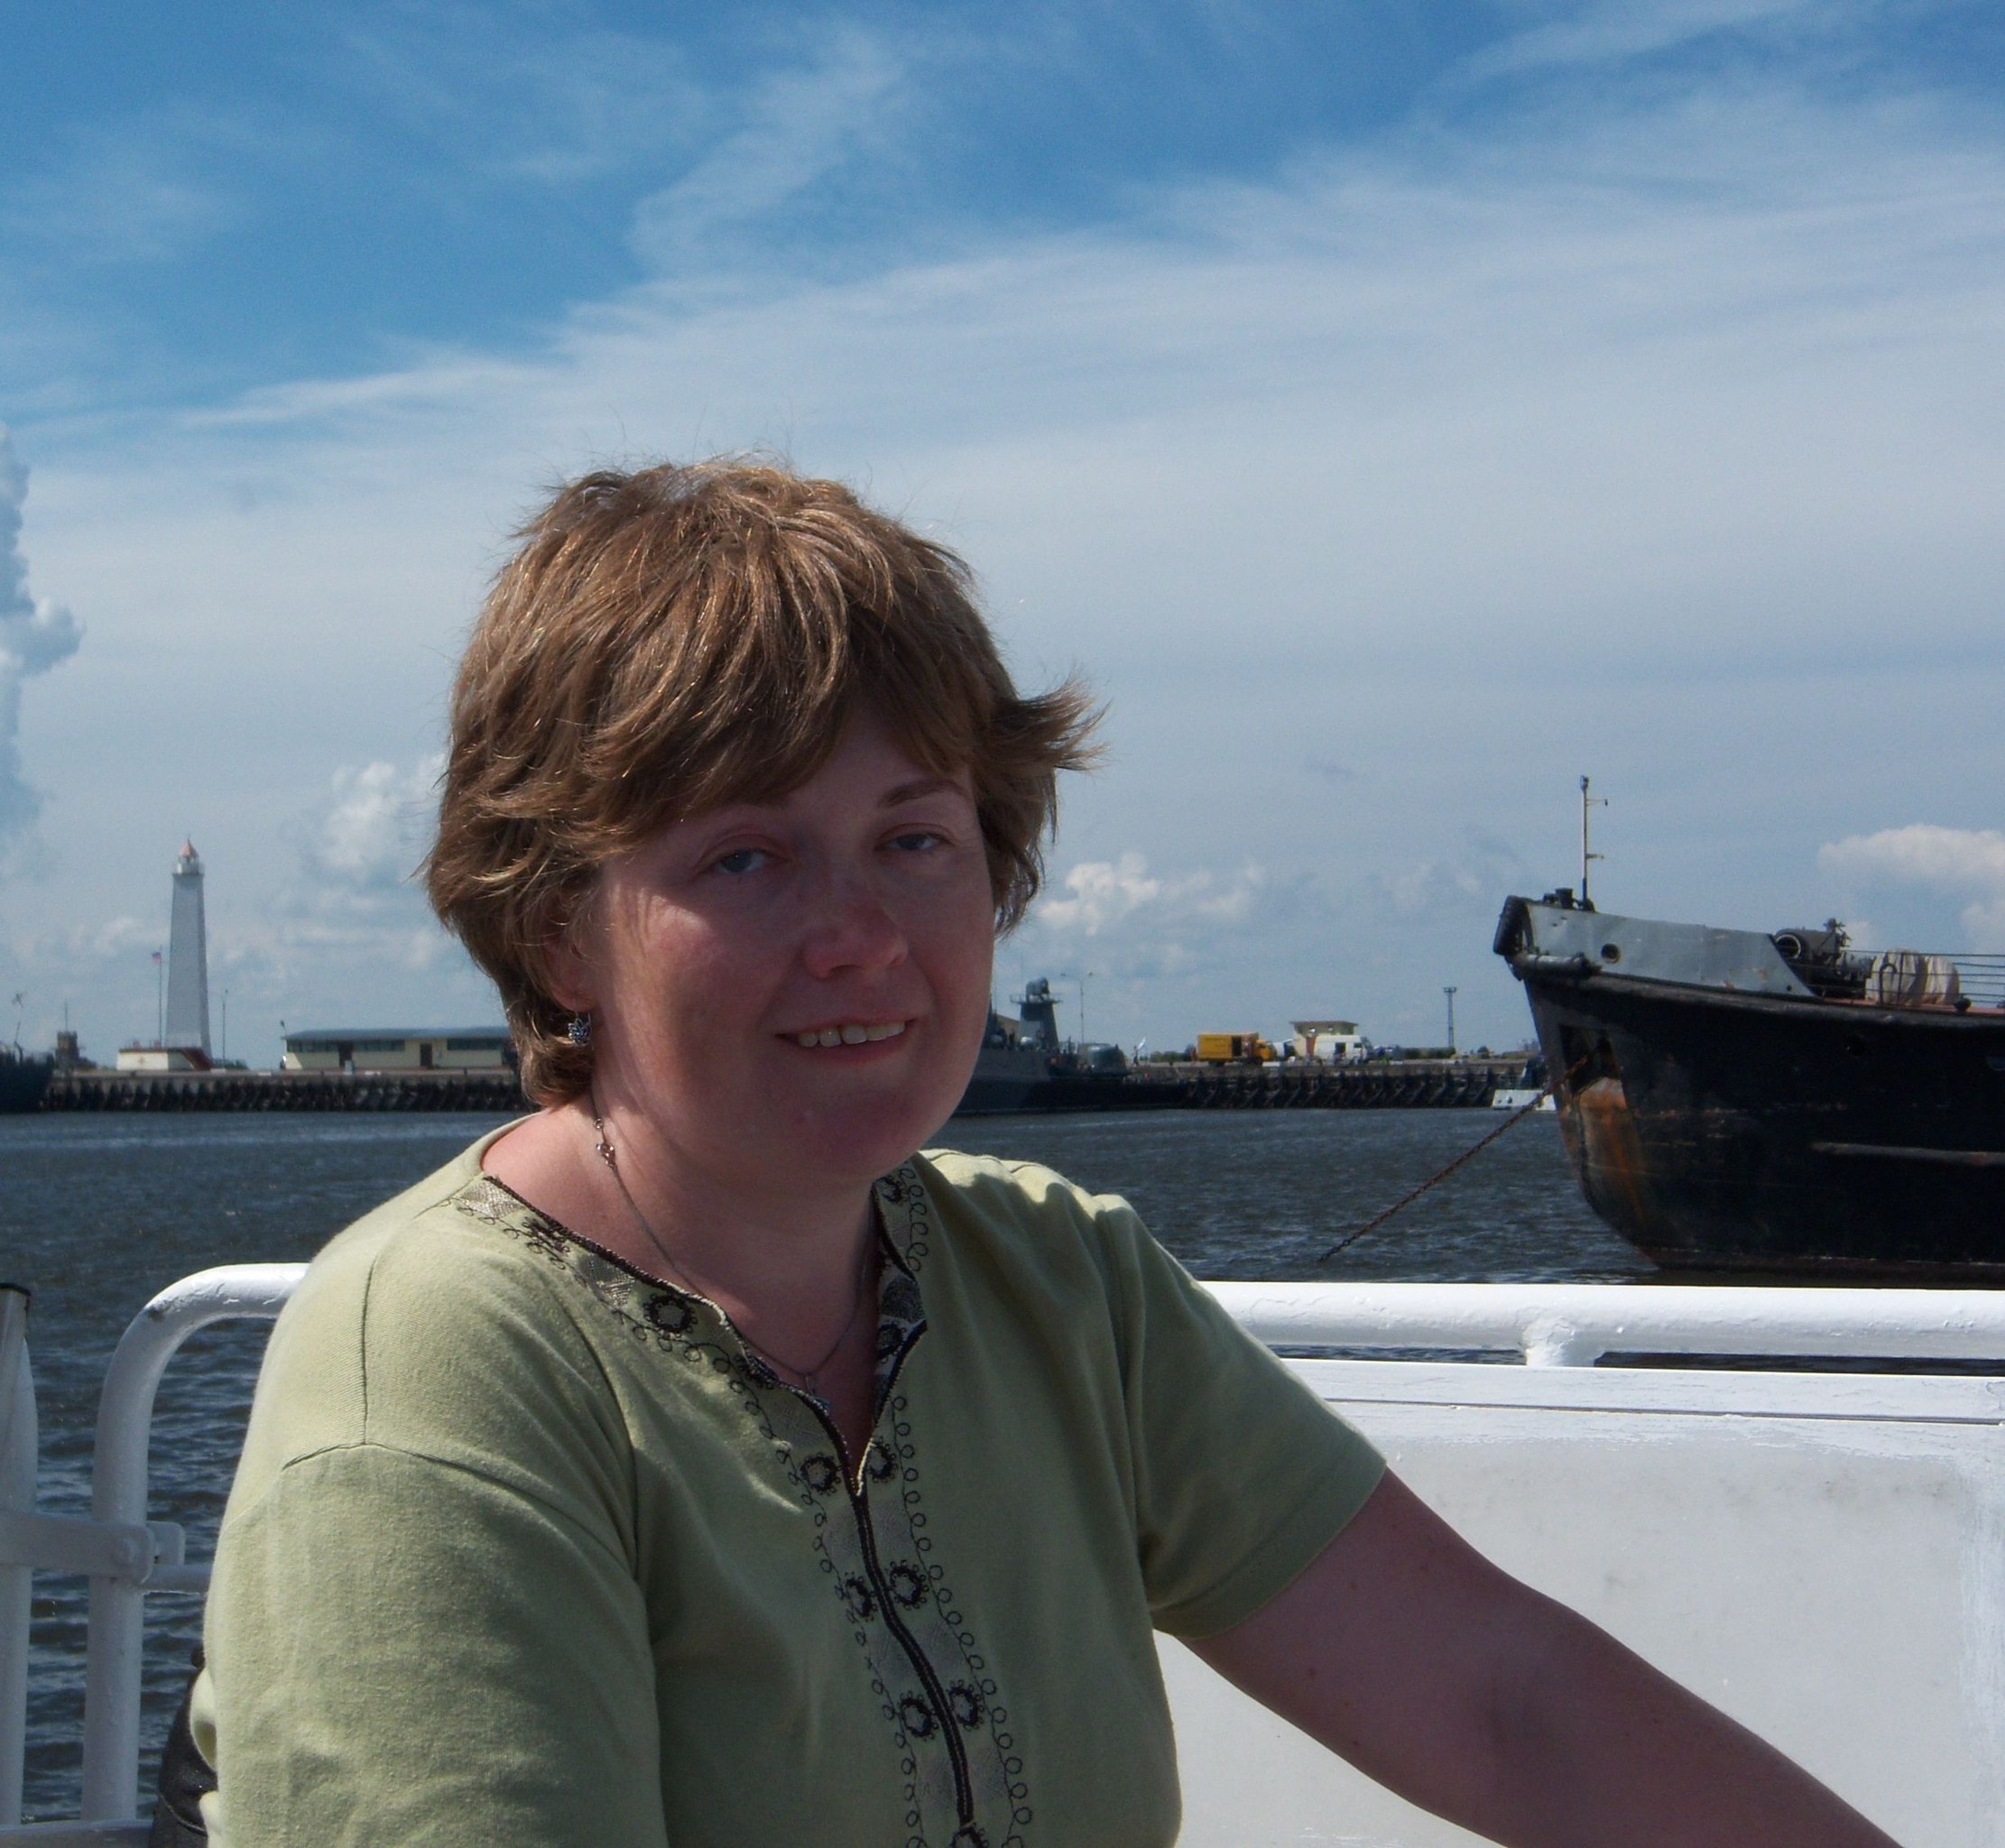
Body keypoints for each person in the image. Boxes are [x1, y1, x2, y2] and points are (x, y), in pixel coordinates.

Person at [189, 460, 1899, 1846]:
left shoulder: (1058, 1284)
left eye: (913, 837)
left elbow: (1504, 1702)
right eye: (744, 858)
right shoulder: (438, 1373)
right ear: (559, 929)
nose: (862, 933)